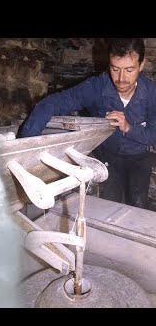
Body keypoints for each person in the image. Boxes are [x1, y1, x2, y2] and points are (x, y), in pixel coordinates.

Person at [19, 38, 156, 209]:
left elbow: (153, 136)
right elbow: (52, 103)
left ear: (141, 65)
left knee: (138, 206)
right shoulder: (96, 87)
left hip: (138, 159)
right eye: (115, 69)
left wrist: (129, 128)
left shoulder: (152, 93)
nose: (121, 78)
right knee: (108, 207)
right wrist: (26, 146)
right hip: (109, 159)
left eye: (129, 70)